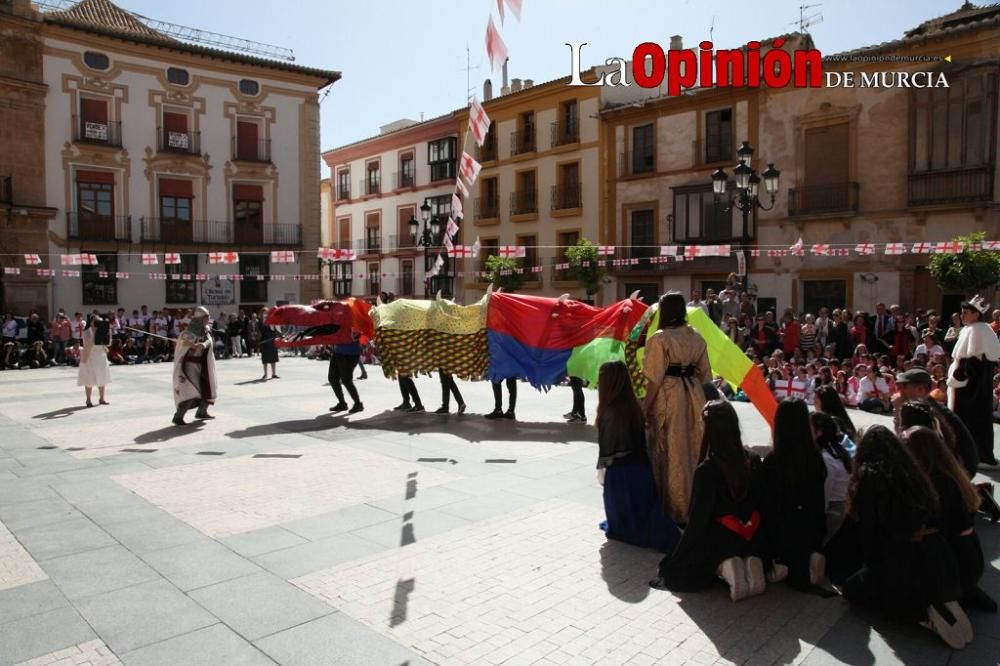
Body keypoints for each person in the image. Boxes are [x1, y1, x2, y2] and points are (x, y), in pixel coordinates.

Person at [843, 426, 972, 649]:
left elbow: (871, 534)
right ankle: (936, 603)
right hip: (938, 555)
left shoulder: (868, 477)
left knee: (853, 589)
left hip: (902, 563)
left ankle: (924, 613)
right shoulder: (913, 472)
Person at [650, 400, 765, 601]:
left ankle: (725, 567)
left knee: (676, 568)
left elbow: (697, 522)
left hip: (721, 541)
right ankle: (748, 562)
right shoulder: (753, 460)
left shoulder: (708, 471)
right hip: (752, 538)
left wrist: (678, 555)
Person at [902, 426, 995, 613]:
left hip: (954, 561)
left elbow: (937, 528)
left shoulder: (939, 482)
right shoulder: (948, 474)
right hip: (968, 555)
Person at [594, 360, 679, 552]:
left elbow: (608, 455)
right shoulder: (634, 406)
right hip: (642, 472)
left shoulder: (610, 413)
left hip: (621, 478)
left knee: (624, 524)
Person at [642, 292, 712, 523]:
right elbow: (705, 376)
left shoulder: (660, 339)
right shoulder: (697, 337)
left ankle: (673, 508)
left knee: (670, 452)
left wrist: (646, 407)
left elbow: (654, 378)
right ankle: (695, 505)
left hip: (669, 397)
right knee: (692, 449)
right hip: (693, 395)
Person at [761, 398, 827, 590]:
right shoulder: (816, 459)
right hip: (810, 529)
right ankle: (807, 558)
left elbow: (767, 505)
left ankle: (779, 562)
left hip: (781, 532)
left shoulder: (774, 461)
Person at [894, 369, 978, 477]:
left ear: (920, 389)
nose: (899, 392)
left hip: (957, 471)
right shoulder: (927, 407)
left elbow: (907, 445)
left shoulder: (927, 412)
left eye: (903, 387)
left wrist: (898, 411)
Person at [948, 296, 1000, 468]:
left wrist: (961, 373)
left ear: (976, 314)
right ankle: (969, 454)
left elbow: (977, 362)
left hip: (972, 390)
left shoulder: (979, 330)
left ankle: (978, 456)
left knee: (972, 421)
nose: (962, 316)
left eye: (965, 313)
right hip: (966, 387)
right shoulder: (971, 329)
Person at [810, 412, 852, 543]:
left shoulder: (827, 459)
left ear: (819, 432)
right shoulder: (833, 452)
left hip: (832, 512)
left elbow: (825, 495)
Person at [172, 306, 217, 425]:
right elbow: (182, 349)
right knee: (191, 390)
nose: (208, 319)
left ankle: (202, 411)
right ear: (199, 319)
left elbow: (209, 340)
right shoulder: (186, 334)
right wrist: (190, 345)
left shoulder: (206, 329)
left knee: (207, 387)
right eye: (205, 317)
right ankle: (178, 416)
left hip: (202, 364)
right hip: (189, 366)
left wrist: (203, 344)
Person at [77, 314, 111, 407]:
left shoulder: (102, 331)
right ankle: (88, 400)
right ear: (91, 321)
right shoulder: (86, 331)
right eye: (95, 320)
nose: (97, 322)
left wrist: (108, 332)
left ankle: (102, 398)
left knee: (102, 377)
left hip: (101, 356)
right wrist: (95, 332)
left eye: (99, 320)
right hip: (90, 357)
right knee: (89, 378)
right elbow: (87, 344)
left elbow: (108, 344)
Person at [328, 332, 364, 414]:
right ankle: (342, 403)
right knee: (332, 379)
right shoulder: (336, 321)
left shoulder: (354, 322)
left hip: (350, 354)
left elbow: (356, 336)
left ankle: (358, 404)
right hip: (337, 352)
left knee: (346, 380)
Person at [258, 308, 279, 380]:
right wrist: (265, 321)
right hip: (264, 342)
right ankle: (265, 374)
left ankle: (273, 374)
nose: (266, 314)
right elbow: (261, 330)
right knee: (265, 359)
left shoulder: (272, 320)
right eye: (264, 313)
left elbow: (275, 330)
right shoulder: (260, 321)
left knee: (273, 358)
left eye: (267, 312)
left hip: (272, 341)